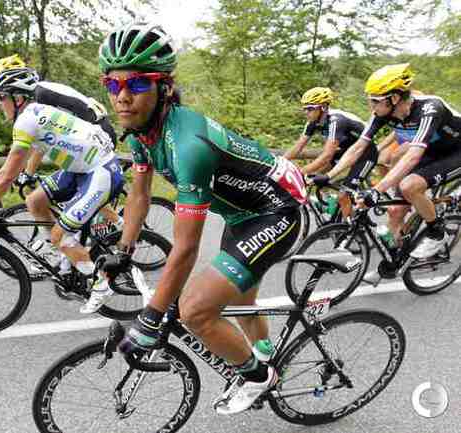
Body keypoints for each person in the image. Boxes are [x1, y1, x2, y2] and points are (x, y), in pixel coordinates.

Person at [98, 22, 307, 414]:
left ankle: (258, 377)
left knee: (194, 309)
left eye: (137, 84)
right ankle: (265, 354)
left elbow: (185, 248)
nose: (122, 96)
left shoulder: (188, 146)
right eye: (112, 84)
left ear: (164, 88)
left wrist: (151, 317)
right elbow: (139, 195)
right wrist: (123, 250)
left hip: (275, 211)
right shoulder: (141, 131)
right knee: (241, 298)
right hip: (242, 216)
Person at [0, 60, 124, 312]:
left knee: (61, 234)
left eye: (1, 97)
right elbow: (41, 143)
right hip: (83, 163)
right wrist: (28, 173)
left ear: (17, 97)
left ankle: (100, 282)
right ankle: (65, 247)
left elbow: (8, 171)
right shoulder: (34, 109)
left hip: (99, 166)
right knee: (35, 201)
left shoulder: (35, 108)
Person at [317, 63, 461, 261]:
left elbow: (412, 156)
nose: (371, 106)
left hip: (456, 152)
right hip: (432, 151)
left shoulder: (430, 108)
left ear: (394, 98)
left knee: (409, 186)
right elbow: (358, 147)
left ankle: (437, 232)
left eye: (375, 101)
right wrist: (328, 176)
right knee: (394, 211)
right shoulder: (383, 113)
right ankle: (394, 263)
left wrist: (377, 190)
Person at [285, 87, 377, 218]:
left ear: (323, 107)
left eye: (310, 108)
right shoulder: (313, 122)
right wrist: (280, 163)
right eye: (304, 108)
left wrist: (298, 173)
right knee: (312, 177)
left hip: (366, 153)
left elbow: (326, 156)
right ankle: (328, 203)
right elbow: (297, 147)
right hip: (346, 151)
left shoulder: (336, 120)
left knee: (343, 195)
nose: (306, 112)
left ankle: (350, 227)